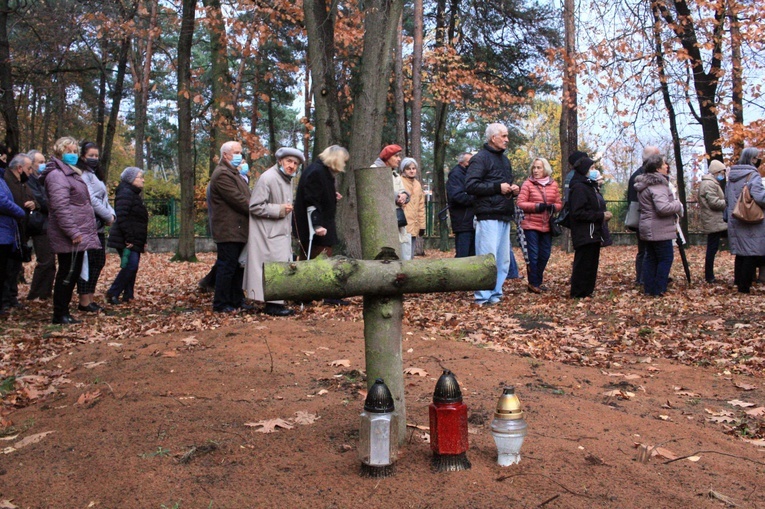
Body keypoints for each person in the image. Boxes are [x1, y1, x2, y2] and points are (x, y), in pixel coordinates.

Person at [40, 136, 101, 324]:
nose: (73, 155)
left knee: (72, 272)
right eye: (69, 151)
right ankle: (60, 313)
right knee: (67, 272)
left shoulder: (69, 173)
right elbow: (61, 208)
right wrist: (73, 232)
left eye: (75, 151)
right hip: (68, 233)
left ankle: (63, 311)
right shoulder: (57, 175)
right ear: (60, 152)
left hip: (76, 231)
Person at [243, 147, 303, 316]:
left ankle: (276, 302)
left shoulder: (286, 178)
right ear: (280, 161)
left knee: (279, 265)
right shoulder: (268, 178)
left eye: (295, 163)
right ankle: (273, 304)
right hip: (267, 233)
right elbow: (255, 206)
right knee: (273, 267)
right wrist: (279, 209)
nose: (292, 165)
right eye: (289, 161)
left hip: (278, 231)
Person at [465, 123, 520, 305]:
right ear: (492, 138)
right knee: (488, 258)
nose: (507, 140)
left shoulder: (505, 160)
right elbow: (471, 186)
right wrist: (498, 187)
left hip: (504, 213)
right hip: (487, 214)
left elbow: (503, 184)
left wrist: (512, 190)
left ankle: (495, 293)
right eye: (503, 136)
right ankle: (482, 297)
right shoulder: (480, 159)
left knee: (503, 260)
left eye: (507, 136)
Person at [209, 141, 250, 313]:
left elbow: (245, 196)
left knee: (236, 267)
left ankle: (236, 299)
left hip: (237, 229)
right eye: (236, 152)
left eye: (240, 152)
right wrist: (258, 209)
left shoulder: (233, 173)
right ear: (225, 155)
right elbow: (238, 200)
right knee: (227, 267)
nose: (239, 156)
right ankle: (221, 303)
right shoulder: (222, 174)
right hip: (228, 229)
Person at [635, 155, 683, 296]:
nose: (666, 166)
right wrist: (677, 204)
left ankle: (649, 288)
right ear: (657, 168)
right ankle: (659, 288)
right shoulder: (658, 185)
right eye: (663, 165)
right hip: (659, 228)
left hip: (647, 226)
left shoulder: (644, 185)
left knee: (651, 258)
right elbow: (663, 208)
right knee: (665, 258)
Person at [76, 142, 115, 312]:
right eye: (90, 155)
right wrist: (107, 215)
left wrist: (111, 215)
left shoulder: (94, 175)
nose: (94, 159)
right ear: (83, 156)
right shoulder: (83, 175)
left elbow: (104, 200)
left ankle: (90, 297)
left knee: (98, 261)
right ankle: (84, 300)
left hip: (98, 226)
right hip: (87, 225)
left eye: (96, 156)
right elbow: (91, 199)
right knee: (89, 262)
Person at [568, 155, 612, 298]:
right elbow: (578, 212)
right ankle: (579, 292)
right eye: (591, 168)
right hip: (585, 232)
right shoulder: (580, 187)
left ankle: (587, 291)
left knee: (591, 263)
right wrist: (600, 216)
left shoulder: (588, 185)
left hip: (593, 231)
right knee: (583, 263)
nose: (594, 171)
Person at [294, 145, 348, 260]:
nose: (344, 165)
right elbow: (311, 200)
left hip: (319, 231)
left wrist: (331, 195)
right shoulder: (317, 172)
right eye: (344, 161)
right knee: (318, 269)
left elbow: (317, 193)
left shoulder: (319, 170)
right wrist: (316, 225)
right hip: (317, 233)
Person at [516, 157, 562, 293]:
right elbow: (520, 203)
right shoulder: (527, 184)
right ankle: (533, 283)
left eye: (539, 167)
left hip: (547, 225)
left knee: (545, 254)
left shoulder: (553, 184)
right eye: (534, 168)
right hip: (531, 225)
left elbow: (559, 204)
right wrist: (537, 207)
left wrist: (553, 207)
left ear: (545, 169)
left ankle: (537, 281)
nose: (536, 170)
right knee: (533, 255)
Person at [725, 147, 765, 293]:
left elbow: (726, 198)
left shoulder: (732, 175)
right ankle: (745, 286)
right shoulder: (753, 175)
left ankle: (739, 281)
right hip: (751, 219)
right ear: (752, 159)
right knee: (751, 252)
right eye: (757, 157)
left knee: (741, 252)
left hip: (735, 217)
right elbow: (760, 197)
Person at [106, 167, 148, 304]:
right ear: (131, 179)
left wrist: (142, 240)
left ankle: (128, 295)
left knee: (132, 266)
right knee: (130, 265)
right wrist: (128, 238)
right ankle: (113, 292)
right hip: (125, 238)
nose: (143, 180)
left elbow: (138, 220)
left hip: (133, 238)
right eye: (140, 177)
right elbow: (122, 217)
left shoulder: (132, 194)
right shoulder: (125, 193)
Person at [2, 154, 37, 311]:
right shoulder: (7, 181)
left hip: (18, 230)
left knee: (14, 267)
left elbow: (32, 198)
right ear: (20, 168)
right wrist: (20, 211)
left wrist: (33, 204)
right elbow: (6, 202)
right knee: (7, 267)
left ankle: (11, 297)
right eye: (29, 168)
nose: (31, 171)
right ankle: (4, 299)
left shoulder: (22, 183)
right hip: (9, 229)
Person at [627, 146, 661, 286]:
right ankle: (642, 278)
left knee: (647, 249)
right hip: (644, 218)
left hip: (643, 217)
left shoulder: (638, 174)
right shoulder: (640, 177)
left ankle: (645, 276)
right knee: (645, 250)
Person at [25, 150, 56, 300]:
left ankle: (45, 293)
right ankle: (35, 294)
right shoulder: (29, 181)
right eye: (40, 162)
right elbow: (43, 201)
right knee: (45, 261)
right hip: (39, 226)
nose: (43, 165)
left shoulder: (41, 180)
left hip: (48, 224)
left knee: (50, 263)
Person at [372, 145, 411, 259]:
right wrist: (396, 196)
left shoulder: (395, 174)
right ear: (387, 157)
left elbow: (403, 191)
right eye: (396, 156)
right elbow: (377, 191)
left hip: (395, 221)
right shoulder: (373, 170)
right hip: (380, 223)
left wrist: (404, 196)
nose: (399, 159)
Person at [0, 159, 25, 316]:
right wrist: (19, 211)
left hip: (6, 232)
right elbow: (2, 201)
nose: (3, 160)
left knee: (5, 270)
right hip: (2, 233)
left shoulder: (2, 179)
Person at [697, 159, 727, 283]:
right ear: (716, 172)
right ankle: (709, 275)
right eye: (722, 172)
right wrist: (728, 202)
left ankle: (709, 275)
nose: (723, 175)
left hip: (714, 219)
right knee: (712, 248)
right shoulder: (709, 184)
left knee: (712, 248)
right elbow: (714, 202)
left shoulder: (711, 183)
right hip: (714, 220)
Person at [446, 152, 475, 258]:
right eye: (469, 162)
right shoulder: (456, 175)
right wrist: (476, 198)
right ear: (462, 163)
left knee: (472, 253)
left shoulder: (469, 175)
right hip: (462, 220)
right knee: (463, 254)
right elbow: (457, 196)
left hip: (470, 220)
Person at [400, 157, 426, 258]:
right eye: (408, 168)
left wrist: (422, 225)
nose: (411, 171)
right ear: (403, 170)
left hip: (414, 225)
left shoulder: (417, 184)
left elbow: (421, 206)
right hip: (402, 224)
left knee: (410, 255)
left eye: (413, 168)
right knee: (403, 255)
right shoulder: (400, 181)